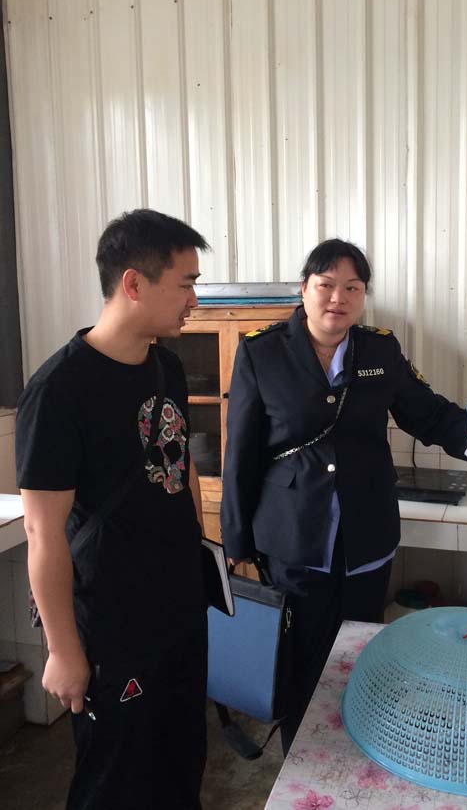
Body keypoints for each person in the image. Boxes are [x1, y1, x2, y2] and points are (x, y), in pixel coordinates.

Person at [220, 238, 467, 753]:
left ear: (363, 296)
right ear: (304, 289)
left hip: (366, 534)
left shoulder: (379, 350)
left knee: (362, 654)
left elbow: (428, 412)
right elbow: (240, 451)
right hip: (293, 539)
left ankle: (360, 754)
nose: (338, 298)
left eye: (352, 288)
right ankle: (304, 760)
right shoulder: (262, 351)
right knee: (301, 659)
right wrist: (236, 540)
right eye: (326, 285)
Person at [15, 209, 211, 809]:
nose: (195, 300)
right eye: (185, 283)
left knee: (182, 761)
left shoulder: (167, 365)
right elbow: (42, 532)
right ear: (133, 283)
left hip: (179, 609)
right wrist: (62, 650)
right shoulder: (60, 390)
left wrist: (202, 550)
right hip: (112, 622)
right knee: (116, 778)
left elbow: (182, 467)